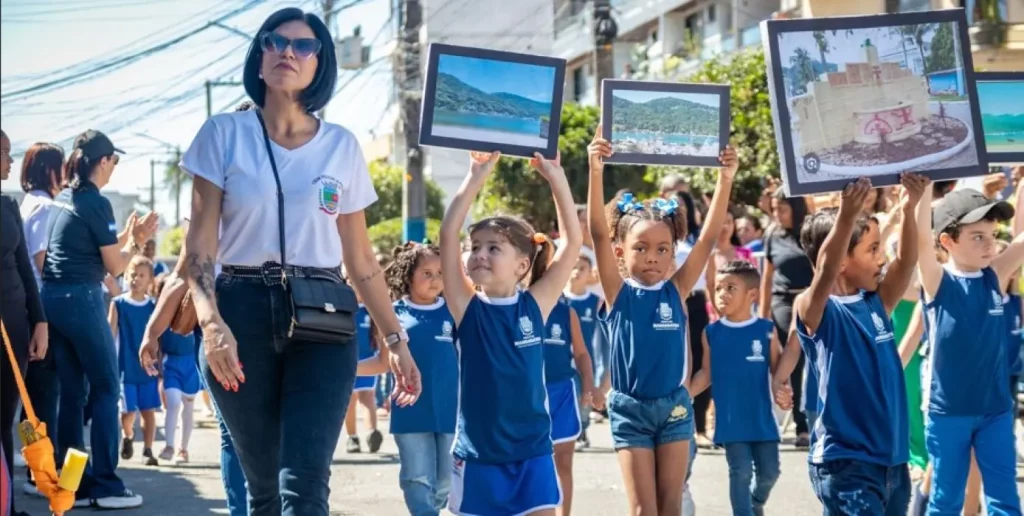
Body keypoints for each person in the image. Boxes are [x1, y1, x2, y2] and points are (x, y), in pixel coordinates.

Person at [181, 8, 420, 515]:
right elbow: (198, 252)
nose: (288, 51)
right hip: (239, 313)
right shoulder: (222, 135)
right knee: (265, 487)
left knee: (305, 484)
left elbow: (361, 262)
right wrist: (211, 323)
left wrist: (395, 340)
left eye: (304, 46)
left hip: (325, 316)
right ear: (260, 55)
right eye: (275, 41)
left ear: (320, 64)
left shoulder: (342, 146)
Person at [587, 125, 737, 514]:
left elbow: (705, 240)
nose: (652, 256)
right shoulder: (617, 291)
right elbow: (599, 235)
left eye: (662, 248)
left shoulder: (678, 289)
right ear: (622, 252)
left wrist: (725, 179)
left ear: (673, 253)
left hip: (674, 408)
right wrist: (596, 169)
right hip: (630, 410)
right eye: (641, 247)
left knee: (671, 506)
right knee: (644, 510)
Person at [439, 148, 580, 516]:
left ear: (521, 265)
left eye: (493, 248)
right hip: (478, 457)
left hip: (533, 454)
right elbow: (448, 233)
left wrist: (556, 178)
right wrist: (476, 175)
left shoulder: (535, 305)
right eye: (476, 248)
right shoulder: (466, 308)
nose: (480, 254)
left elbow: (572, 242)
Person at [777, 174, 928, 514]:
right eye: (872, 249)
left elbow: (906, 262)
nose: (881, 259)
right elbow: (826, 271)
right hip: (846, 463)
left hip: (892, 460)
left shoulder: (876, 301)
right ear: (843, 261)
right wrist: (846, 215)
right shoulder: (814, 308)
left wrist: (909, 208)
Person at [42, 128, 156, 509]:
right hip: (81, 298)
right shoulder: (97, 202)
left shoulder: (66, 199)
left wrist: (126, 237)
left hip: (54, 300)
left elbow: (100, 247)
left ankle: (72, 484)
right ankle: (106, 485)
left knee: (73, 395)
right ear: (103, 161)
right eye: (115, 161)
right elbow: (116, 266)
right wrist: (137, 241)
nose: (115, 168)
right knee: (107, 387)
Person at [915, 183, 1024, 515]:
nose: (990, 244)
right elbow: (920, 238)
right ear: (947, 241)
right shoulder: (937, 280)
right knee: (946, 499)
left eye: (992, 234)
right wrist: (922, 190)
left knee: (1005, 498)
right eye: (978, 236)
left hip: (995, 410)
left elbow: (1021, 238)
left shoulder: (994, 275)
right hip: (948, 413)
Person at [365, 242, 458, 516]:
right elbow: (383, 362)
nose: (435, 280)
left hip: (450, 410)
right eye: (426, 273)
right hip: (410, 411)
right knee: (417, 479)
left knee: (445, 482)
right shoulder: (393, 314)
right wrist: (346, 368)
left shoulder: (454, 310)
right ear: (408, 277)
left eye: (440, 273)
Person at [691, 260, 781, 516]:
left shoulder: (767, 331)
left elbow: (778, 371)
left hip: (762, 420)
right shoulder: (711, 333)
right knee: (739, 471)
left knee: (770, 473)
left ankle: (756, 502)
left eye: (731, 287)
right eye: (719, 288)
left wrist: (783, 390)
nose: (722, 294)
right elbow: (706, 373)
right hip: (731, 421)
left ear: (752, 294)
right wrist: (683, 395)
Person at [0, 129, 49, 516]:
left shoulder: (8, 206)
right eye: (4, 153)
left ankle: (8, 504)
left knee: (7, 416)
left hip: (15, 323)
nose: (10, 161)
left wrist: (40, 322)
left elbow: (24, 271)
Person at [534, 248, 597, 516]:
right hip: (527, 396)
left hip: (561, 393)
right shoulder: (520, 308)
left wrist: (589, 387)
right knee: (532, 462)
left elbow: (582, 354)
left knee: (563, 463)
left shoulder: (566, 312)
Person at [758, 190, 813, 448]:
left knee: (811, 359)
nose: (778, 214)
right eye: (775, 209)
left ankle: (812, 417)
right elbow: (767, 277)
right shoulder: (772, 235)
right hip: (782, 300)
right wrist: (762, 315)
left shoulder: (809, 233)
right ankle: (801, 426)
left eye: (783, 209)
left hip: (809, 300)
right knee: (793, 361)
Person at [108, 256, 159, 466]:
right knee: (127, 411)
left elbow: (160, 336)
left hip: (148, 368)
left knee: (148, 410)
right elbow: (109, 333)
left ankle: (148, 450)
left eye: (141, 275)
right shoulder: (118, 304)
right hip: (125, 367)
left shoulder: (153, 306)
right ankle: (128, 436)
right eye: (132, 274)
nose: (136, 279)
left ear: (149, 280)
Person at [563, 253, 603, 451]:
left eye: (582, 268)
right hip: (561, 360)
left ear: (590, 274)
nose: (577, 272)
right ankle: (569, 434)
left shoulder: (595, 301)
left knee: (583, 396)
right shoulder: (558, 298)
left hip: (586, 359)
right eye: (574, 266)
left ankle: (582, 431)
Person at [345, 299, 383, 454]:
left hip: (369, 360)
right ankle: (352, 437)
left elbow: (379, 336)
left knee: (367, 396)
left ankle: (372, 432)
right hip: (347, 360)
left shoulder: (372, 309)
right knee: (350, 400)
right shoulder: (345, 307)